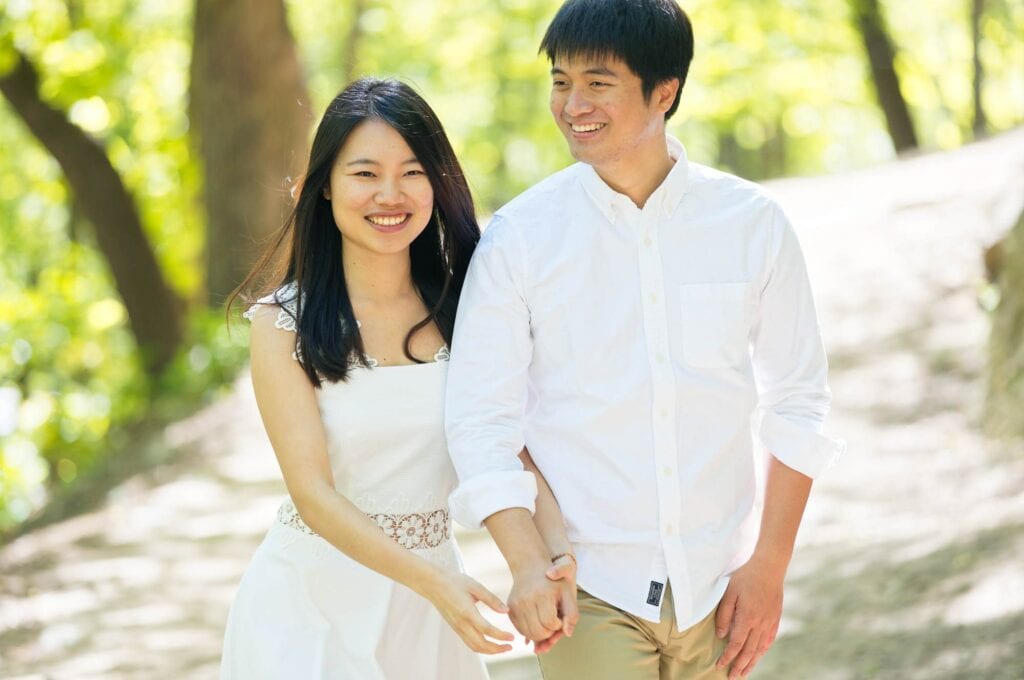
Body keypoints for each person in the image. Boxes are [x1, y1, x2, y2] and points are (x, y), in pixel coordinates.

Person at [444, 1, 845, 679]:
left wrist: (768, 568)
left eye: (598, 83)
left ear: (666, 92)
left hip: (718, 587)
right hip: (588, 587)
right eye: (560, 80)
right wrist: (526, 564)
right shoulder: (520, 240)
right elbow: (481, 419)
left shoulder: (751, 225)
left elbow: (798, 399)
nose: (573, 104)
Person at [219, 77, 516, 680]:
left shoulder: (472, 310)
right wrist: (436, 583)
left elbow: (518, 443)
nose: (390, 193)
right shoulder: (284, 323)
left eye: (412, 172)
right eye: (364, 173)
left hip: (431, 614)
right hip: (310, 605)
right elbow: (314, 495)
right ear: (323, 188)